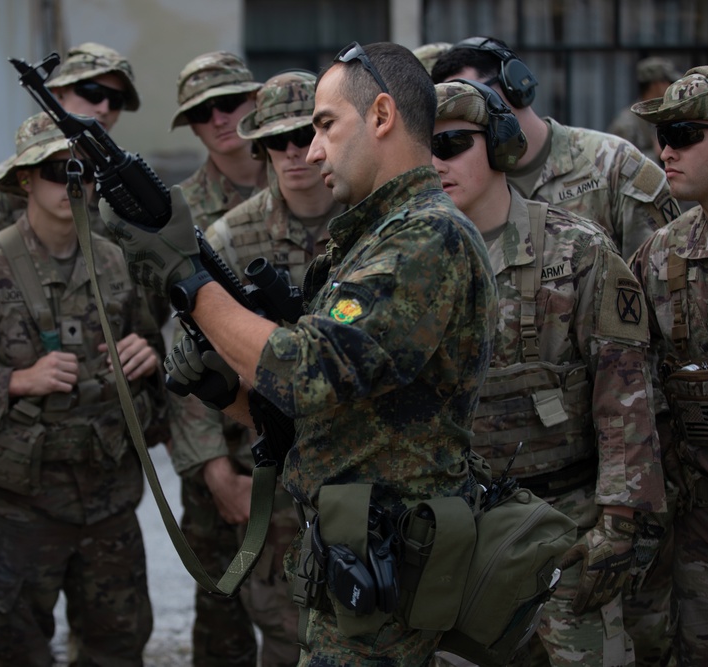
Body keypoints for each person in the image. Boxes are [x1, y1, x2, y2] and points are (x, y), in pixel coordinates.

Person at [104, 41, 498, 665]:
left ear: (382, 115)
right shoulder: (370, 241)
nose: (310, 151)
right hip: (358, 559)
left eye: (323, 125)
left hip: (394, 573)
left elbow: (305, 369)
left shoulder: (426, 238)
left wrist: (187, 276)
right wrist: (224, 392)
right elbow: (314, 418)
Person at [432, 37, 679, 663]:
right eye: (423, 148)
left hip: (568, 524)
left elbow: (625, 395)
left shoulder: (578, 250)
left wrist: (621, 525)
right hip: (456, 531)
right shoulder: (409, 262)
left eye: (453, 143)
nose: (437, 162)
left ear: (499, 145)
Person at [0, 113, 166, 667]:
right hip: (19, 509)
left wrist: (149, 357)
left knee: (117, 648)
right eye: (57, 171)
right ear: (25, 180)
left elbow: (152, 345)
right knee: (15, 650)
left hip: (108, 503)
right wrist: (14, 382)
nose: (74, 184)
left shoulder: (117, 262)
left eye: (85, 171)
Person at [172, 69, 342, 667]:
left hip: (361, 470)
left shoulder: (371, 228)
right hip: (268, 471)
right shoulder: (228, 239)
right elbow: (187, 368)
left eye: (304, 135)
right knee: (285, 628)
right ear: (260, 147)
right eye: (276, 142)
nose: (294, 154)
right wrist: (216, 471)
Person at [166, 49, 267, 666]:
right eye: (204, 112)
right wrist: (210, 466)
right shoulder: (171, 214)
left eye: (231, 103)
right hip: (221, 444)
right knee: (221, 610)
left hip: (309, 447)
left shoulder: (313, 181)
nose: (221, 119)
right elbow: (176, 352)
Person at [432, 37, 679, 260]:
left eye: (472, 97)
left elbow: (661, 275)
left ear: (515, 85)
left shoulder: (614, 164)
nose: (463, 115)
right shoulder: (462, 186)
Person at [628, 65, 708, 667]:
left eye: (684, 133)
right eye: (662, 134)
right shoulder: (662, 255)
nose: (665, 149)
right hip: (697, 528)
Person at [0, 42, 141, 253]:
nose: (104, 108)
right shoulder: (14, 178)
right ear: (59, 93)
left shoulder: (127, 176)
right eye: (93, 92)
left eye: (117, 100)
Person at [173, 51, 267, 230]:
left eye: (228, 103)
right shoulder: (180, 210)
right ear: (193, 126)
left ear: (255, 101)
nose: (218, 121)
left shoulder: (302, 179)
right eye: (201, 112)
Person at [608, 57, 681, 164]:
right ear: (656, 85)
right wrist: (655, 153)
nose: (672, 87)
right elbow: (616, 163)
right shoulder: (626, 123)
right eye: (668, 82)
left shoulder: (665, 114)